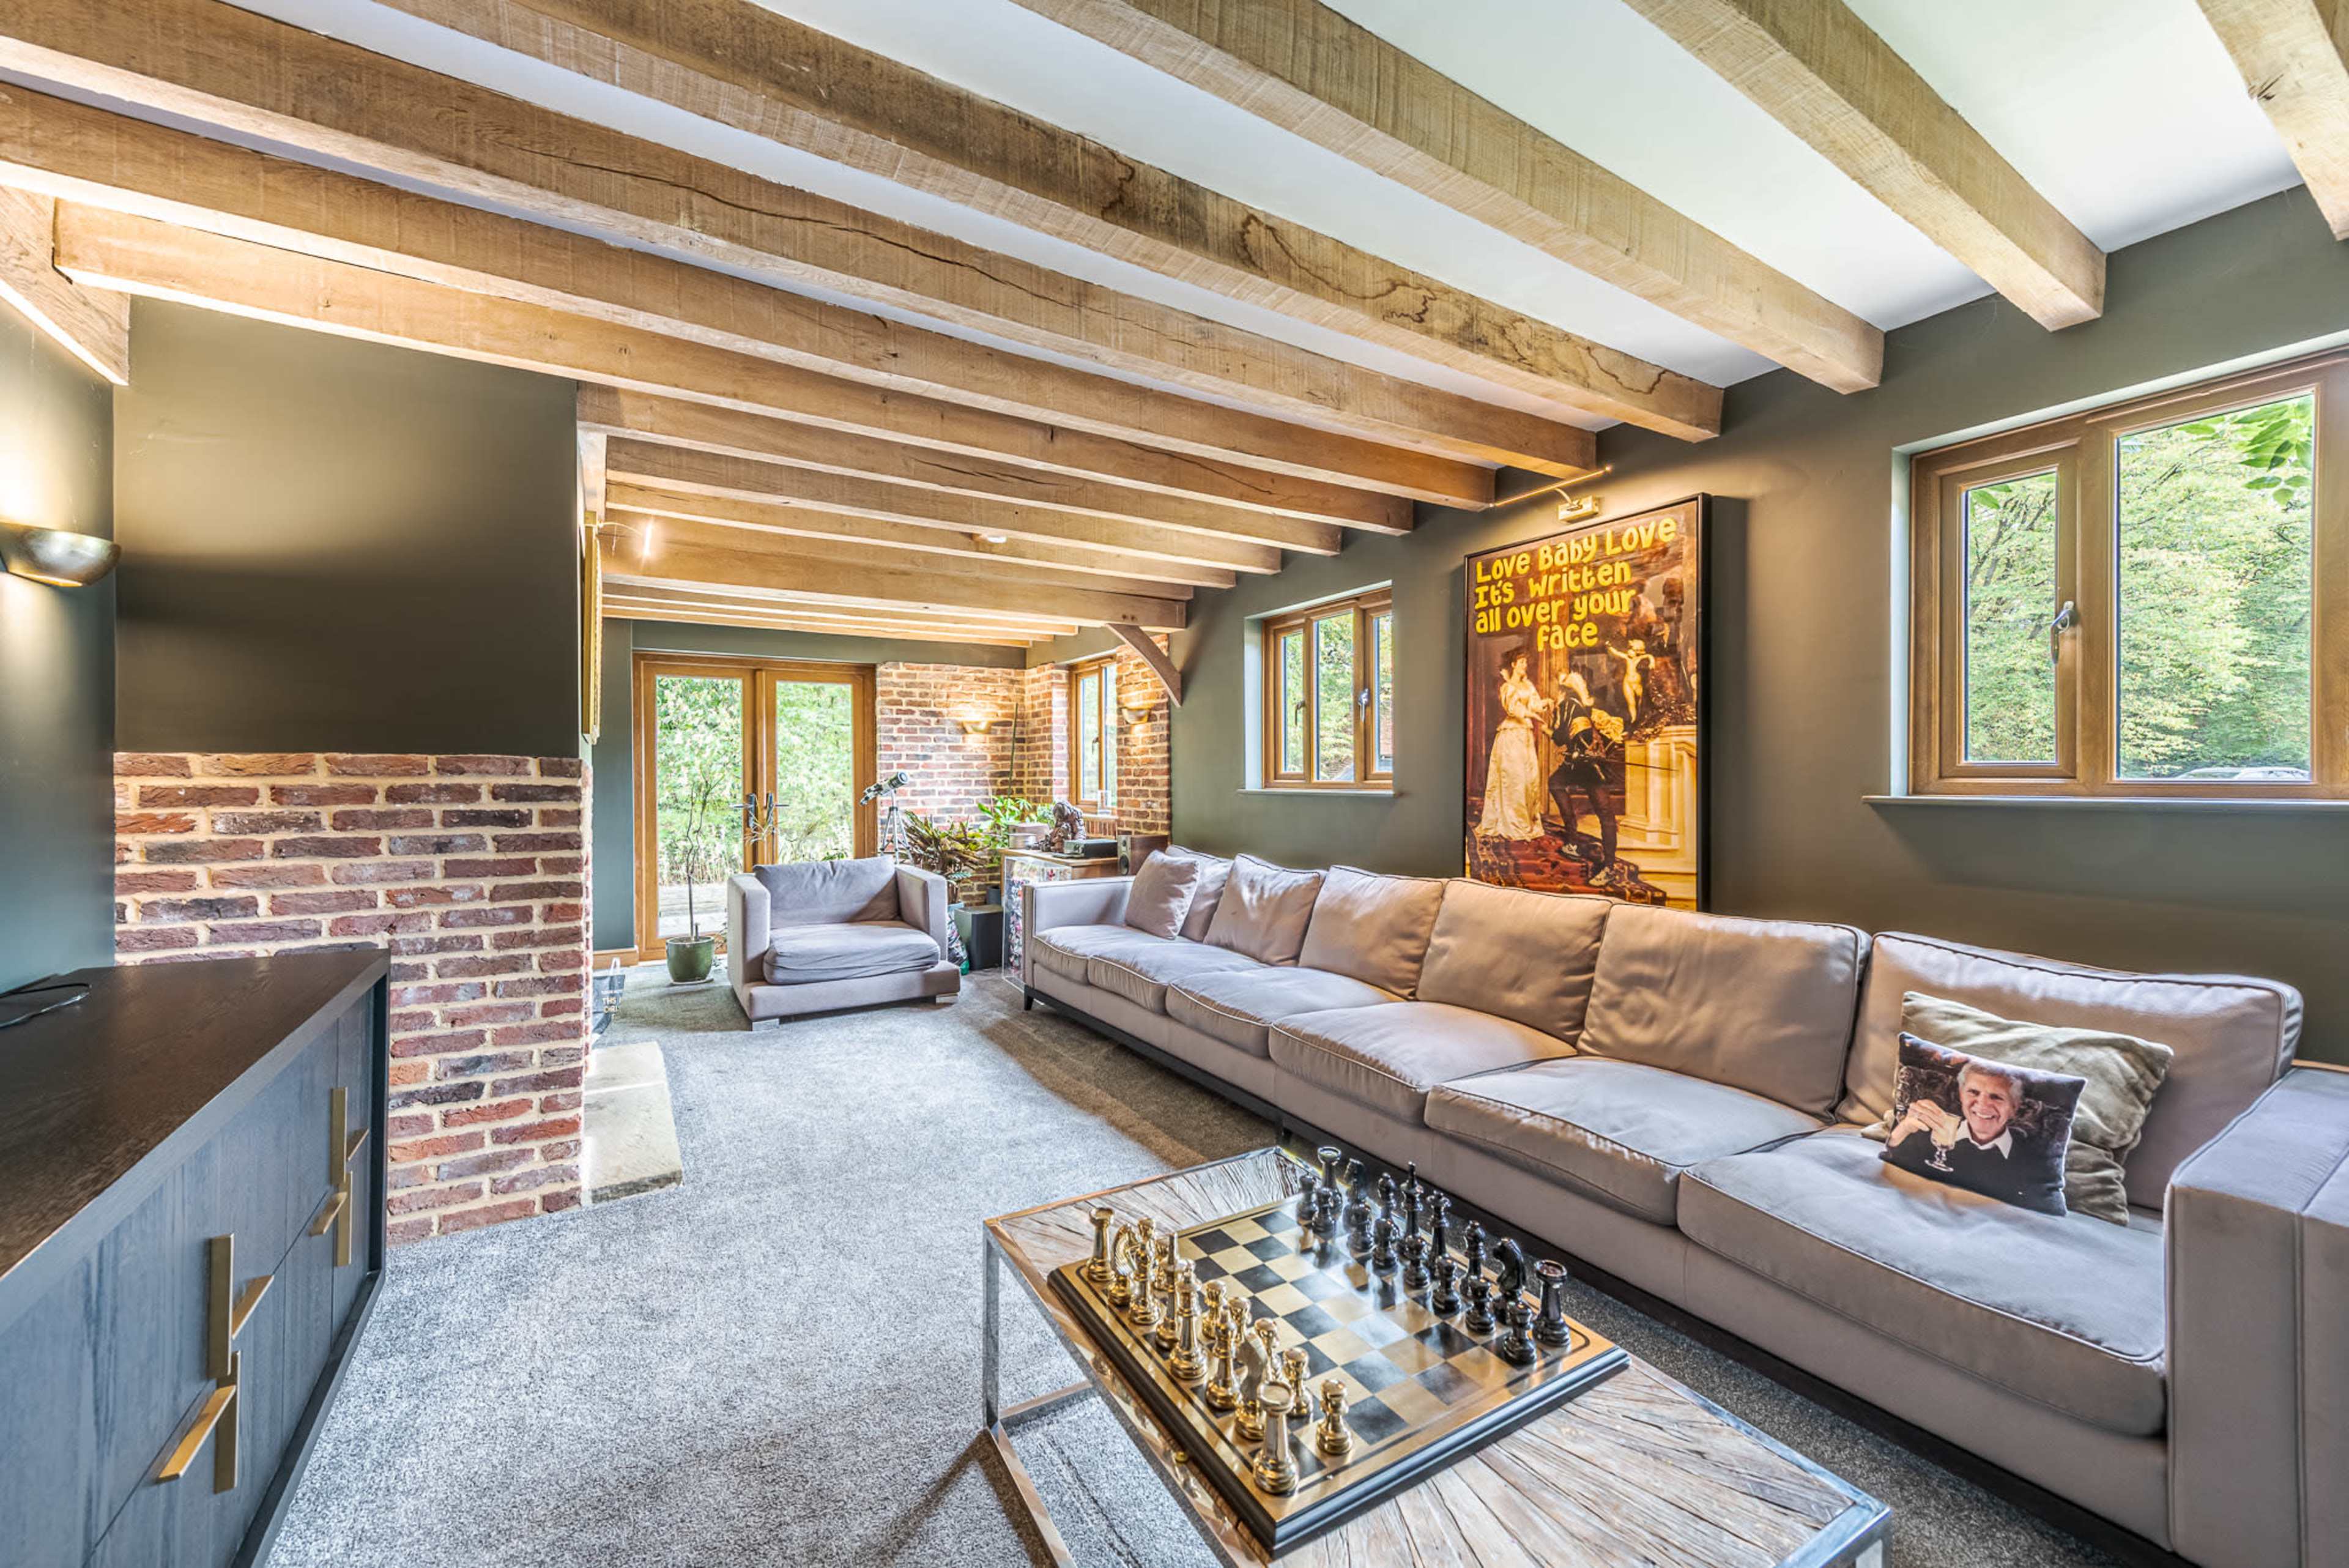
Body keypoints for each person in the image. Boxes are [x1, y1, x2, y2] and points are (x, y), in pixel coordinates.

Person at [1888, 1060, 2038, 1205]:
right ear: (1961, 1095)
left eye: (1996, 1097)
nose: (1982, 1104)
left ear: (2014, 1107)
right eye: (1973, 1092)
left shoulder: (2032, 1157)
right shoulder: (1933, 1128)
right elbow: (1891, 1155)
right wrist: (1903, 1129)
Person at [1545, 669, 1622, 879]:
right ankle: (1600, 860)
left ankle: (1597, 859)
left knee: (1603, 811)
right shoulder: (1579, 705)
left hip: (1583, 763)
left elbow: (1560, 738)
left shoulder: (1566, 705)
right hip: (1583, 762)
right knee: (1604, 812)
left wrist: (1546, 729)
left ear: (1560, 691)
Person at [1474, 645, 1550, 840]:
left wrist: (1545, 703)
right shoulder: (1507, 687)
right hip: (1511, 735)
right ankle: (1513, 822)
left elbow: (1534, 704)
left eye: (1526, 662)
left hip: (1524, 735)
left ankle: (1526, 820)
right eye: (1522, 662)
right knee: (1514, 778)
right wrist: (1532, 715)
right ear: (1514, 665)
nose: (1525, 665)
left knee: (1527, 778)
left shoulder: (1528, 686)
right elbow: (1513, 709)